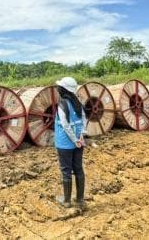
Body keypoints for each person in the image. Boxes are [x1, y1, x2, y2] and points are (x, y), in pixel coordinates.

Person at [54, 77, 88, 208]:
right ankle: (80, 200)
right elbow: (84, 119)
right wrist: (81, 136)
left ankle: (66, 201)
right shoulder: (78, 102)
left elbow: (65, 125)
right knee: (78, 169)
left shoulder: (62, 103)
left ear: (63, 89)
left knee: (66, 171)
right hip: (79, 142)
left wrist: (74, 139)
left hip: (65, 143)